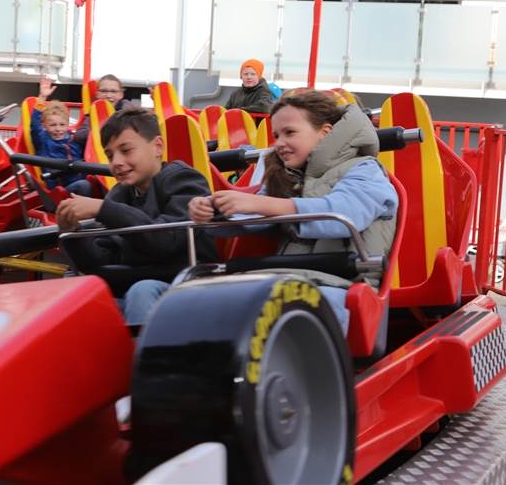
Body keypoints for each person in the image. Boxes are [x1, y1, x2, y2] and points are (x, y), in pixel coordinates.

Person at [127, 91, 399, 330]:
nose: (279, 142)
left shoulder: (366, 170)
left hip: (340, 285)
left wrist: (262, 203)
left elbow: (343, 216)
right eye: (276, 135)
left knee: (272, 306)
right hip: (280, 279)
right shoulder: (287, 176)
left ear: (325, 132)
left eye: (290, 133)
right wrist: (217, 211)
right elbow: (255, 219)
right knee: (147, 290)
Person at [56, 107, 217, 323]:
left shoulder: (183, 180)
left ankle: (147, 357)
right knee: (77, 298)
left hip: (186, 283)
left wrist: (103, 209)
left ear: (157, 147)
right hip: (133, 283)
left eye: (126, 150)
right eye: (110, 155)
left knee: (142, 291)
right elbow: (102, 259)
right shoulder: (119, 194)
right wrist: (71, 230)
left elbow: (165, 241)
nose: (117, 162)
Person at [32, 77, 92, 196]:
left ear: (67, 124)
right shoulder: (43, 139)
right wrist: (42, 97)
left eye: (62, 124)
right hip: (59, 187)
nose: (58, 129)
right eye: (53, 125)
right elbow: (34, 125)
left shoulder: (73, 138)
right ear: (45, 125)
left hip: (76, 178)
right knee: (84, 185)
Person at [74, 74, 132, 147]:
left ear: (121, 94)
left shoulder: (129, 112)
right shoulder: (93, 111)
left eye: (113, 91)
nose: (108, 95)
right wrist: (99, 131)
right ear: (97, 94)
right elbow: (79, 136)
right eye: (103, 91)